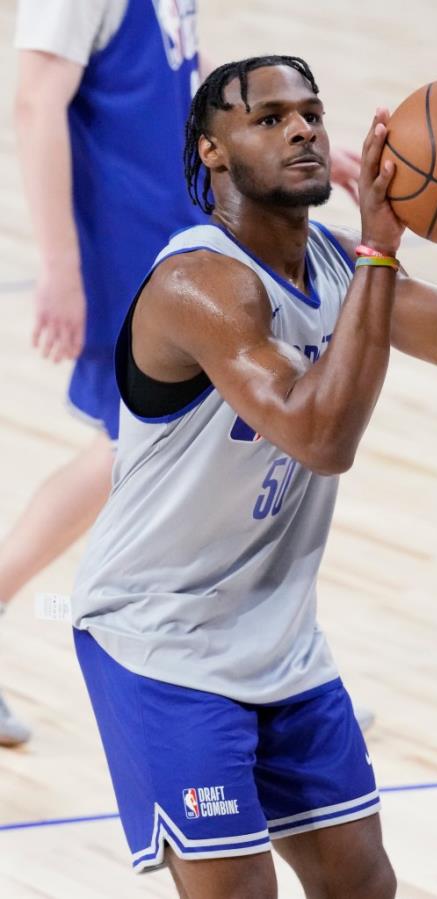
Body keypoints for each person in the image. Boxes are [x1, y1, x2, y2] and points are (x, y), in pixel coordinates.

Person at [70, 55, 437, 896]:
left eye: (311, 113)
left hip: (279, 637)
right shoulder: (201, 285)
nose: (301, 128)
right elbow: (321, 437)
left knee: (362, 884)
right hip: (159, 638)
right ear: (212, 151)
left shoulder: (335, 263)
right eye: (268, 118)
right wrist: (379, 249)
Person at [0, 2, 361, 745]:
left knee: (130, 451)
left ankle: (267, 667)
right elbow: (35, 100)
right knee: (137, 449)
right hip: (127, 245)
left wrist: (290, 155)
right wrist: (63, 266)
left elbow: (189, 92)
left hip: (183, 227)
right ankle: (261, 673)